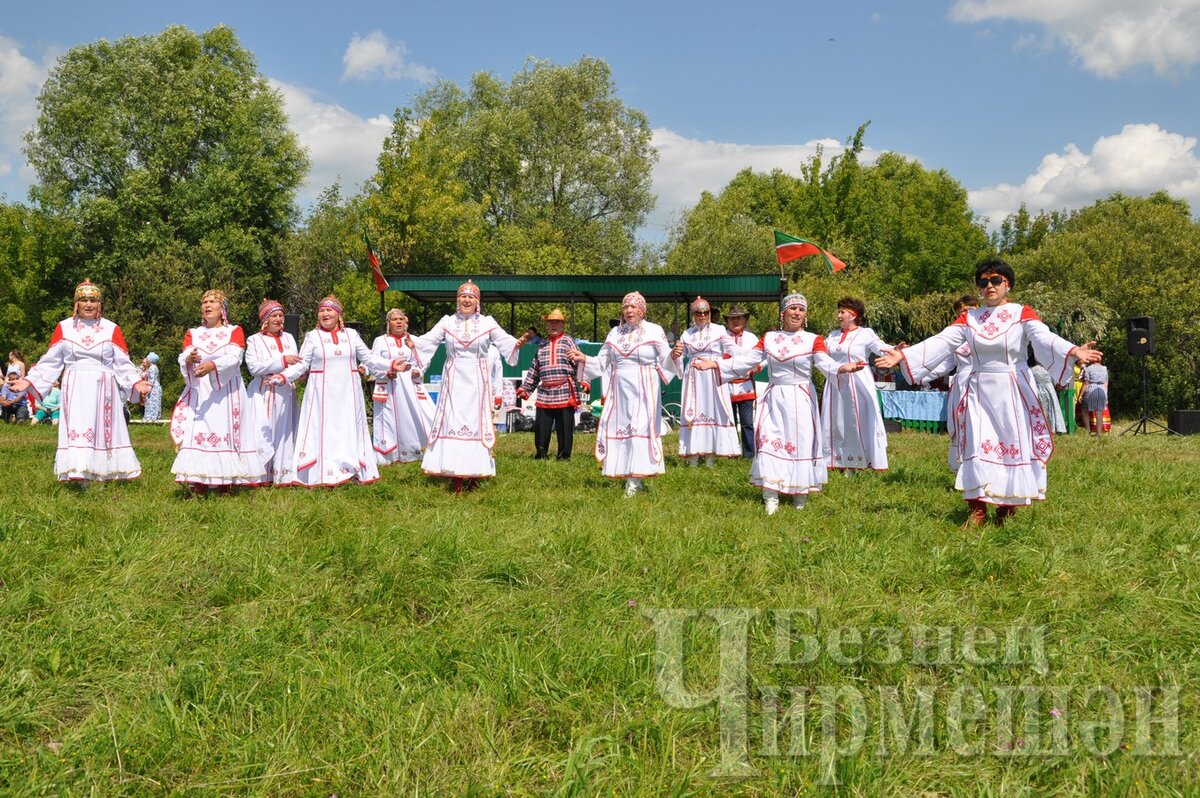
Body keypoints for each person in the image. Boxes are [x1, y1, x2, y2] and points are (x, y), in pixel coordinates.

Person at [876, 258, 1103, 527]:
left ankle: (1007, 507)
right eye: (983, 283)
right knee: (976, 444)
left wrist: (1073, 351)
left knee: (1011, 445)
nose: (989, 286)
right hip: (978, 390)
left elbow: (1043, 336)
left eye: (995, 281)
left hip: (1012, 388)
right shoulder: (970, 317)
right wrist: (903, 354)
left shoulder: (1021, 312)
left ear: (1008, 284)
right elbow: (943, 340)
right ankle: (978, 508)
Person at [693, 293, 865, 514]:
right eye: (792, 309)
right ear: (783, 313)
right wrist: (715, 364)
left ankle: (800, 495)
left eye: (801, 310)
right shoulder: (770, 338)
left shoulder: (814, 339)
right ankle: (771, 495)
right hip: (774, 397)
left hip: (801, 397)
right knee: (768, 442)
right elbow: (748, 360)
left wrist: (843, 368)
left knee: (801, 442)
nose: (797, 313)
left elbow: (825, 363)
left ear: (806, 315)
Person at [13, 279, 149, 483]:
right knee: (79, 428)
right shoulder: (64, 327)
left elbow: (123, 363)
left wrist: (136, 382)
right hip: (75, 385)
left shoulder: (111, 329)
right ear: (76, 303)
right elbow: (51, 360)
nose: (88, 304)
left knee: (104, 429)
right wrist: (30, 381)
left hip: (104, 386)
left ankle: (106, 472)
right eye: (83, 300)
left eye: (92, 300)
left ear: (99, 304)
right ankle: (79, 473)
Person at [269, 296, 407, 487]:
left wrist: (391, 363)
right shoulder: (312, 336)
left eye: (330, 310)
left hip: (348, 394)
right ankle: (323, 474)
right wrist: (283, 377)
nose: (325, 314)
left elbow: (368, 358)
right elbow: (301, 365)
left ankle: (351, 471)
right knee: (325, 430)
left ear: (338, 314)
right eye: (322, 311)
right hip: (322, 394)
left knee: (347, 429)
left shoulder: (351, 335)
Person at [408, 281, 532, 491]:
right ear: (457, 300)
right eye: (463, 297)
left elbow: (504, 341)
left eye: (471, 297)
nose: (466, 300)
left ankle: (474, 473)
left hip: (477, 380)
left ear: (478, 302)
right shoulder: (447, 321)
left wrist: (516, 344)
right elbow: (428, 340)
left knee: (475, 423)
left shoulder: (487, 322)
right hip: (454, 378)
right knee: (452, 421)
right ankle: (454, 473)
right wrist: (412, 341)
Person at [568, 291, 682, 497]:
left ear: (642, 309)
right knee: (622, 429)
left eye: (633, 307)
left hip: (644, 387)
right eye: (626, 307)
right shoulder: (615, 333)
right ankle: (622, 470)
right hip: (619, 389)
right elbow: (602, 362)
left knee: (638, 428)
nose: (629, 311)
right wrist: (584, 357)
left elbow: (666, 360)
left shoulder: (654, 331)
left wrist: (673, 355)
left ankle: (635, 481)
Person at [170, 289, 271, 491]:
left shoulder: (234, 331)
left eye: (212, 302)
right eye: (204, 302)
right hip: (202, 391)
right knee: (199, 430)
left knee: (226, 431)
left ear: (222, 309)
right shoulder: (194, 333)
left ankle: (226, 480)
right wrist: (189, 360)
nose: (207, 305)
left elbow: (235, 357)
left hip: (227, 391)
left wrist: (212, 366)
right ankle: (199, 479)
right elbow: (185, 356)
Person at [821, 297, 894, 472]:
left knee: (857, 420)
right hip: (835, 381)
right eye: (839, 311)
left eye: (842, 312)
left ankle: (859, 460)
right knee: (836, 422)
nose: (839, 315)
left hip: (859, 383)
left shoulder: (865, 333)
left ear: (853, 315)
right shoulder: (833, 335)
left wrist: (897, 350)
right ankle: (837, 460)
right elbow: (820, 353)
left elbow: (880, 347)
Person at [674, 296, 741, 465]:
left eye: (705, 312)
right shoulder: (686, 334)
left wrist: (752, 358)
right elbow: (679, 357)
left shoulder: (719, 330)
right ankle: (693, 456)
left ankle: (712, 456)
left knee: (714, 411)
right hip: (694, 377)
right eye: (698, 313)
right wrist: (675, 354)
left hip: (712, 373)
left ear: (710, 313)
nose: (702, 315)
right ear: (693, 314)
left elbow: (734, 350)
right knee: (694, 411)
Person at [921, 294, 981, 470]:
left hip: (983, 381)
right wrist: (922, 375)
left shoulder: (988, 333)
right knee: (961, 422)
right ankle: (961, 464)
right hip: (961, 383)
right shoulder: (956, 337)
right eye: (962, 311)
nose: (967, 314)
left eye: (971, 310)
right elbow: (946, 363)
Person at [245, 299, 301, 483]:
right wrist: (283, 361)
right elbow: (254, 367)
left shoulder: (289, 338)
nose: (279, 319)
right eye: (274, 316)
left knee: (286, 432)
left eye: (281, 315)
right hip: (264, 391)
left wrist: (290, 374)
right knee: (265, 431)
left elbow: (297, 364)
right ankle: (261, 474)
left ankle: (283, 474)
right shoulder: (254, 340)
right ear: (265, 319)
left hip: (286, 391)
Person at [371, 308, 433, 465]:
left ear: (406, 322)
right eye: (394, 319)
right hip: (389, 385)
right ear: (388, 323)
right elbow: (372, 362)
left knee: (414, 417)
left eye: (401, 319)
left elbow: (425, 360)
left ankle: (414, 451)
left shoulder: (414, 340)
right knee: (388, 419)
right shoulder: (380, 341)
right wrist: (385, 372)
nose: (398, 322)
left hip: (410, 386)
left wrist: (418, 371)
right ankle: (388, 456)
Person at [517, 308, 580, 460]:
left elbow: (580, 362)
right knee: (540, 427)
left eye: (557, 322)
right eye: (551, 322)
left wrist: (584, 381)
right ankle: (541, 453)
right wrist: (526, 389)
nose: (554, 325)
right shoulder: (542, 345)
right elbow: (535, 370)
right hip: (545, 392)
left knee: (564, 427)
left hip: (564, 390)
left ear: (562, 325)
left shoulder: (568, 341)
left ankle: (564, 456)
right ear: (547, 325)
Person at [724, 305, 759, 459]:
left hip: (745, 386)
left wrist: (756, 368)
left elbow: (761, 358)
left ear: (745, 320)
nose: (735, 321)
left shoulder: (752, 338)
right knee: (728, 422)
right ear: (727, 321)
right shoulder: (722, 337)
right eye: (732, 318)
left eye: (739, 318)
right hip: (725, 386)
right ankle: (730, 452)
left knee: (747, 423)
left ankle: (749, 454)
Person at [1028, 351, 1067, 434]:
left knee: (1041, 410)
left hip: (1038, 391)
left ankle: (1043, 428)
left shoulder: (1030, 370)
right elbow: (1055, 381)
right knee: (1052, 409)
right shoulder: (1049, 369)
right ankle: (1052, 428)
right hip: (1049, 390)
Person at [1079, 362, 1110, 436]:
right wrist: (1106, 396)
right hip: (1102, 390)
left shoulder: (1088, 368)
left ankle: (1088, 431)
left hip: (1091, 389)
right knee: (1099, 412)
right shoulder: (1104, 368)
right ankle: (1098, 433)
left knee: (1084, 409)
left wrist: (1081, 395)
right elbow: (1106, 384)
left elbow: (1086, 383)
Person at [139, 352, 163, 422]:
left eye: (147, 358)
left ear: (150, 360)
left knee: (152, 402)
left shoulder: (152, 367)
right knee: (150, 402)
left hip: (153, 388)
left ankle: (152, 417)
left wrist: (149, 388)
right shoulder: (153, 367)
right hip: (154, 387)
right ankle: (152, 417)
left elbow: (151, 379)